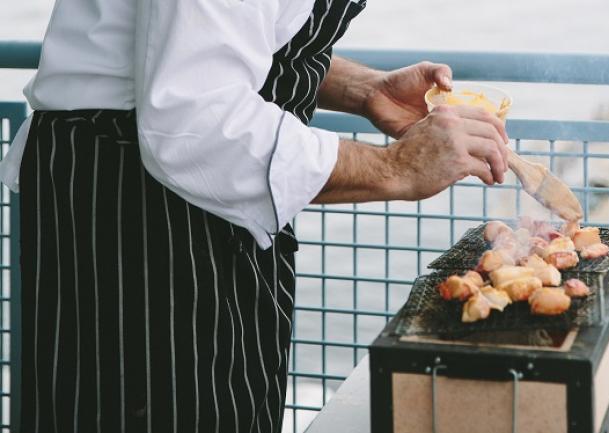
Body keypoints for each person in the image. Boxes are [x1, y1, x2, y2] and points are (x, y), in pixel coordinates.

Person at [0, 0, 509, 432]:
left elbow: (226, 39)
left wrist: (365, 89)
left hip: (185, 194)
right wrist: (396, 168)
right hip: (134, 205)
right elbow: (194, 120)